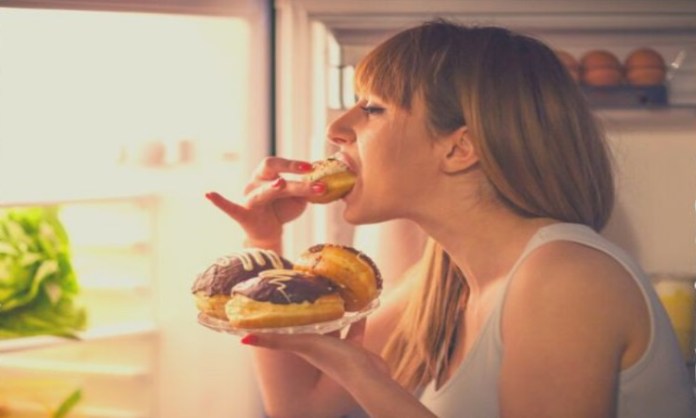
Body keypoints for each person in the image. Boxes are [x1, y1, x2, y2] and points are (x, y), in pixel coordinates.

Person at [205, 19, 696, 418]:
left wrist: (366, 377)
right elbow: (300, 410)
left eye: (372, 109)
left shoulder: (563, 279)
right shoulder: (443, 280)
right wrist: (263, 237)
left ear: (460, 147)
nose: (337, 129)